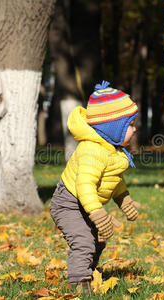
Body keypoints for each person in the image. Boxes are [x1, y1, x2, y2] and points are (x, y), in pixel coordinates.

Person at [49, 81, 141, 292]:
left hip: (86, 203)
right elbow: (85, 186)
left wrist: (123, 199)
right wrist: (98, 214)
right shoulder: (92, 150)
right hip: (69, 203)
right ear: (113, 127)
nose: (135, 129)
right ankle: (80, 284)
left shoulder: (112, 149)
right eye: (130, 124)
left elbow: (113, 177)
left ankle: (88, 271)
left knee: (97, 241)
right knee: (83, 241)